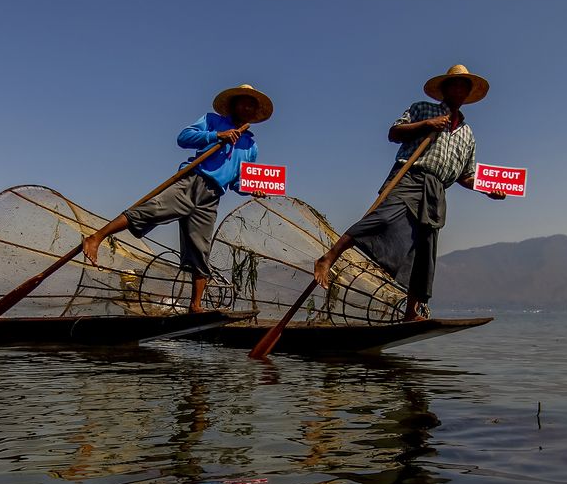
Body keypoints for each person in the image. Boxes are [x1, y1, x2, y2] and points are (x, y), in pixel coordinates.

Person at [314, 65, 505, 321]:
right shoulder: (422, 109)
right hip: (409, 175)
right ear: (445, 90)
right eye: (455, 85)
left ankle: (411, 311)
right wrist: (428, 124)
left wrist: (486, 189)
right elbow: (394, 133)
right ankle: (328, 258)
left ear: (468, 94)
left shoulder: (468, 134)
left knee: (424, 251)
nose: (459, 90)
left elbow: (465, 175)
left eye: (464, 87)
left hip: (436, 190)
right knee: (381, 220)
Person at [81, 83, 274, 312]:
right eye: (245, 103)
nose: (249, 108)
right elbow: (183, 138)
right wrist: (217, 135)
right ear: (234, 105)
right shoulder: (213, 121)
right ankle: (96, 237)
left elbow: (237, 181)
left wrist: (253, 189)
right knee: (152, 210)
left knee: (200, 248)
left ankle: (195, 305)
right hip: (193, 181)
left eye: (253, 106)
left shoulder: (251, 145)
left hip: (212, 196)